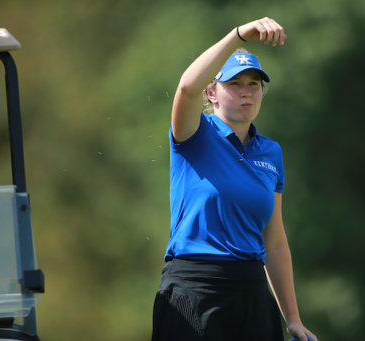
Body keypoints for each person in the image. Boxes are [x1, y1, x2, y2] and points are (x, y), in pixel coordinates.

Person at [151, 18, 317, 341]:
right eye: (235, 83)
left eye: (253, 84)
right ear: (211, 92)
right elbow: (186, 87)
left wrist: (293, 317)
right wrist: (239, 35)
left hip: (252, 294)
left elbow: (275, 241)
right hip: (194, 288)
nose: (246, 92)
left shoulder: (271, 153)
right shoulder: (194, 133)